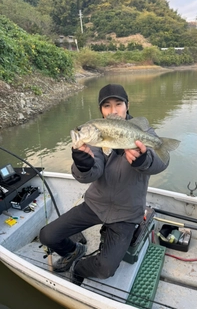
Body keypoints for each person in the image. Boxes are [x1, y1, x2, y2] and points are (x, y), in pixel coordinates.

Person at [39, 83, 169, 285]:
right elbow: (92, 173)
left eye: (118, 104)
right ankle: (74, 251)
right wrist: (83, 165)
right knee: (47, 235)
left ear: (127, 105)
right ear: (101, 110)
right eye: (107, 106)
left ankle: (78, 267)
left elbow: (161, 162)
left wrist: (144, 160)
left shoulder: (142, 131)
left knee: (106, 268)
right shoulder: (96, 137)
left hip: (126, 213)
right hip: (95, 204)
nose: (113, 110)